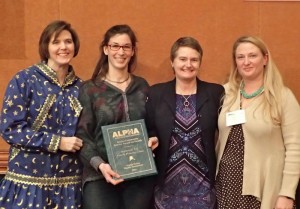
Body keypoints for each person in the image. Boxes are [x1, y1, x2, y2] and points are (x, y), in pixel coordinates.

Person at [0, 20, 83, 208]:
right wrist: (57, 142)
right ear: (46, 46)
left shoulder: (83, 88)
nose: (63, 47)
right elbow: (10, 129)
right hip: (28, 182)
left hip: (69, 185)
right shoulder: (24, 80)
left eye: (68, 41)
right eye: (56, 42)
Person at [76, 24, 158, 209]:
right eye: (115, 46)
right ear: (106, 49)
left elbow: (152, 126)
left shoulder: (143, 86)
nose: (120, 52)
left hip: (139, 172)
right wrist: (101, 165)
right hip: (99, 175)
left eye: (126, 47)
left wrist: (153, 139)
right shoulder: (90, 89)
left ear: (132, 51)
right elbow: (83, 137)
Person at [215, 35, 300, 209]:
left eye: (252, 56)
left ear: (265, 59)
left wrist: (287, 193)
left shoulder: (282, 97)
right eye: (241, 57)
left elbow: (295, 147)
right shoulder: (225, 93)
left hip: (262, 189)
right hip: (225, 185)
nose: (246, 62)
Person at [145, 37, 224, 209]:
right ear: (172, 62)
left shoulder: (216, 92)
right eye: (182, 59)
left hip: (203, 187)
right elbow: (149, 128)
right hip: (166, 188)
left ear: (199, 63)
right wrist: (151, 138)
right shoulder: (156, 93)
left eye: (194, 59)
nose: (188, 64)